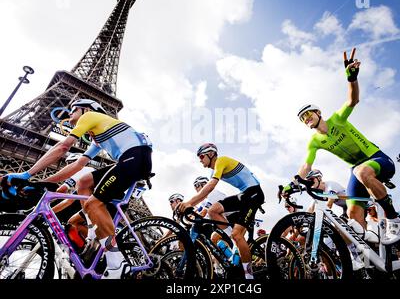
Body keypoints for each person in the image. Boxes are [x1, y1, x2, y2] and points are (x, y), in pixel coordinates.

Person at [2, 99, 153, 279]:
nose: (70, 116)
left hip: (134, 157)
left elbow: (63, 146)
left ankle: (117, 264)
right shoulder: (98, 138)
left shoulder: (90, 116)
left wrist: (27, 174)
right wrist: (42, 183)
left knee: (93, 204)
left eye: (73, 110)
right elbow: (78, 165)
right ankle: (91, 230)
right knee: (84, 182)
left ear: (85, 109)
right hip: (133, 158)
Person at [295, 48, 400, 245]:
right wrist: (293, 183)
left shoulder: (338, 119)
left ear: (318, 112)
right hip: (358, 171)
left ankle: (393, 218)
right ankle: (362, 256)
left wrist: (351, 78)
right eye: (303, 119)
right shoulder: (315, 141)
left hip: (378, 160)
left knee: (362, 171)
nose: (307, 119)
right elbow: (306, 166)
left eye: (309, 114)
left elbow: (353, 100)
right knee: (352, 217)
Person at [178, 143, 265, 279]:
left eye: (201, 156)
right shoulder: (214, 169)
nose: (200, 159)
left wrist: (189, 202)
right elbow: (206, 194)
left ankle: (249, 277)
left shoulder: (221, 161)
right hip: (246, 194)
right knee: (214, 210)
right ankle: (234, 238)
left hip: (254, 193)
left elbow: (210, 186)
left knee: (237, 235)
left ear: (211, 154)